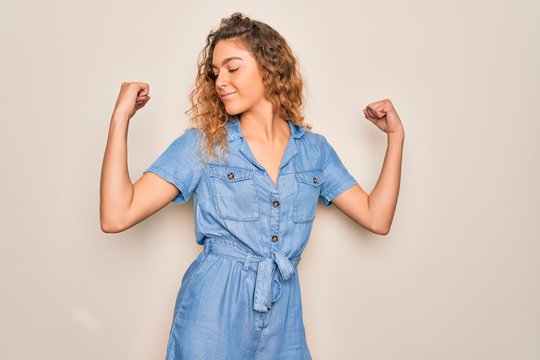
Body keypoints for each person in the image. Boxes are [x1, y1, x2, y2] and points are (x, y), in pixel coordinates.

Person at [100, 12, 404, 360]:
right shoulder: (204, 145)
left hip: (283, 312)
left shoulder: (314, 152)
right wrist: (120, 117)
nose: (220, 82)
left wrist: (395, 138)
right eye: (215, 73)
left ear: (269, 67)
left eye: (233, 68)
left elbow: (377, 219)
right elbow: (116, 215)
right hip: (213, 309)